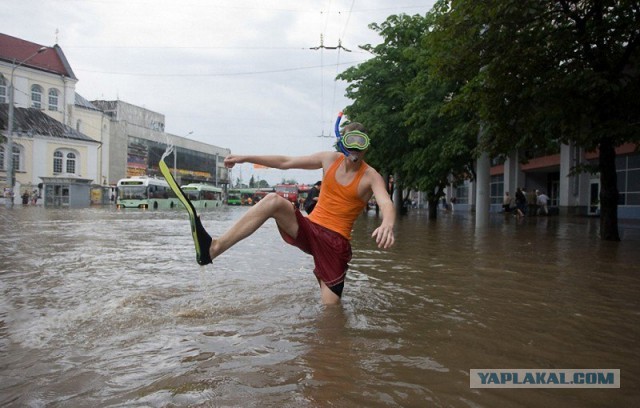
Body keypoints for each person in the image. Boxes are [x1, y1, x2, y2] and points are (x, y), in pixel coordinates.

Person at [191, 122, 395, 304]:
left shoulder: (371, 176)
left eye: (361, 146)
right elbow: (285, 161)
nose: (355, 152)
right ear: (342, 143)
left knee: (331, 313)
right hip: (310, 229)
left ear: (366, 147)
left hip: (335, 244)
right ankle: (213, 249)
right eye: (351, 144)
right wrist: (245, 157)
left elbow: (386, 202)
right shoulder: (329, 159)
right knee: (273, 201)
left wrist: (387, 223)